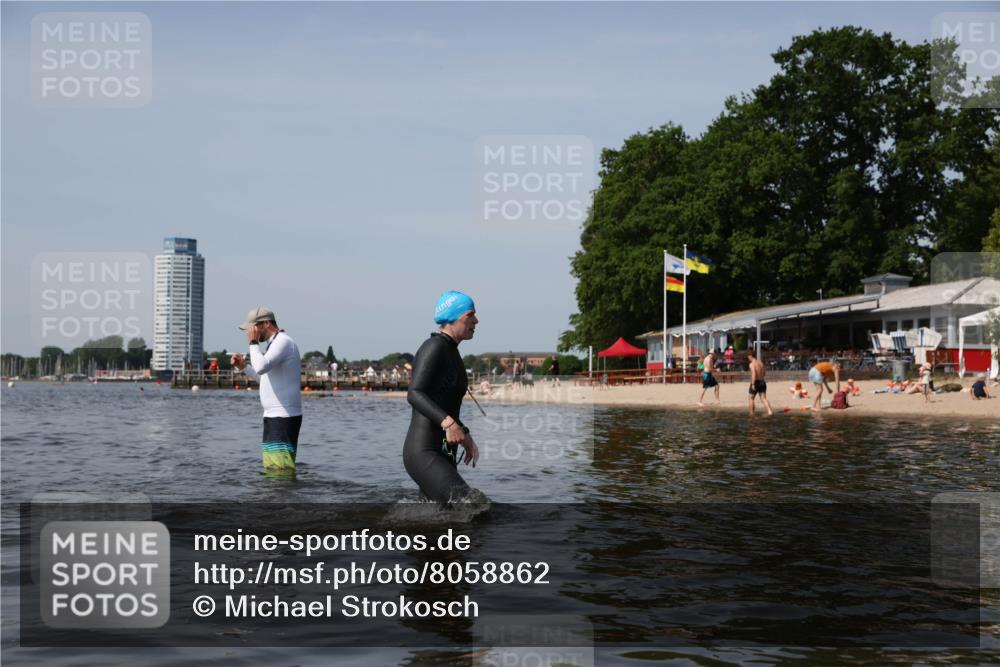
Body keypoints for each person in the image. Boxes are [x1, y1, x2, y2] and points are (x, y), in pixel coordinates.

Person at [404, 291, 481, 504]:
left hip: (444, 452)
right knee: (471, 506)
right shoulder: (434, 347)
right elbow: (414, 393)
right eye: (470, 315)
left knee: (442, 520)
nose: (476, 320)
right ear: (454, 317)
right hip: (424, 452)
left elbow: (445, 403)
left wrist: (464, 433)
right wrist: (449, 424)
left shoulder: (452, 352)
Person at [231, 307, 302, 474]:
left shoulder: (283, 342)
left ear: (266, 323)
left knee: (280, 471)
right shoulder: (274, 344)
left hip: (283, 416)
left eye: (253, 328)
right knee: (272, 470)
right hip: (273, 416)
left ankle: (284, 499)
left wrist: (253, 343)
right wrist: (244, 367)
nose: (250, 332)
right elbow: (265, 380)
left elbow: (261, 367)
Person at [746, 350, 773, 416]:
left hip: (756, 382)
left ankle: (752, 414)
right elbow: (764, 373)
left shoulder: (752, 364)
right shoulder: (760, 362)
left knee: (751, 398)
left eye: (748, 357)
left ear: (750, 356)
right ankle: (770, 412)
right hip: (762, 381)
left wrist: (752, 384)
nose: (748, 359)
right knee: (763, 398)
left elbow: (754, 374)